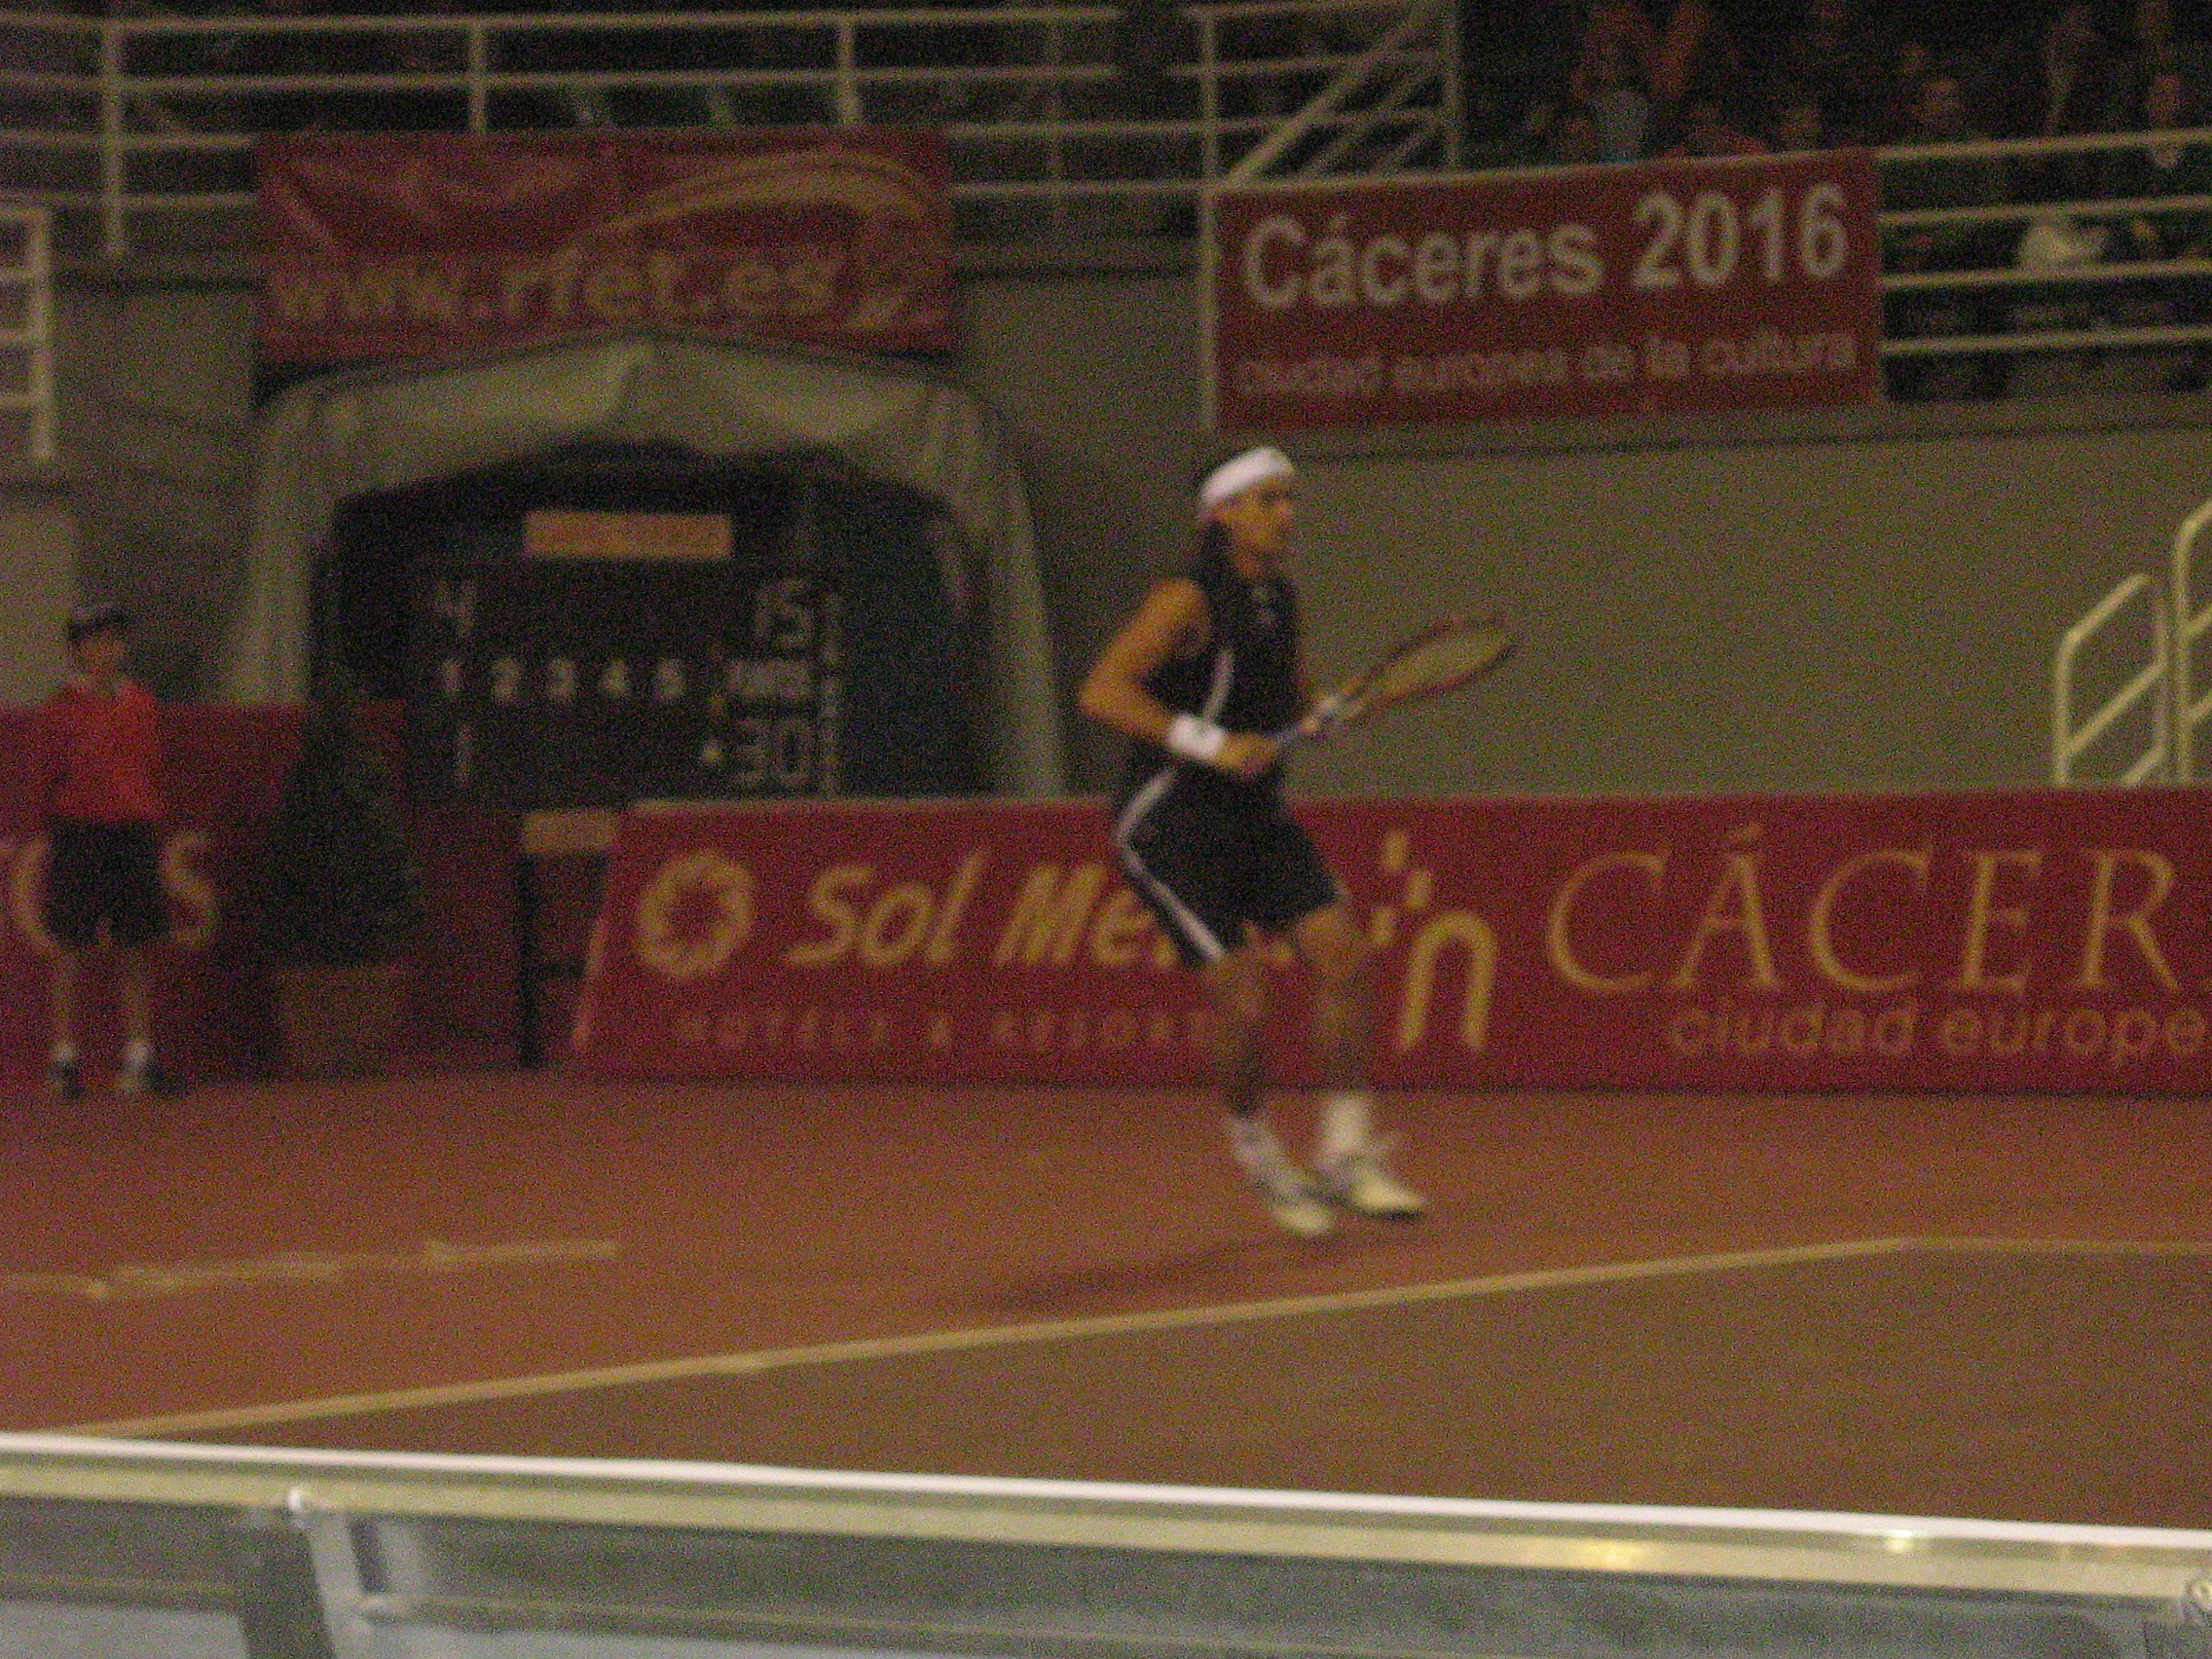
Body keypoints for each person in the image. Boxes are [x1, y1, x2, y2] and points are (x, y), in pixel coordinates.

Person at [1078, 448, 1423, 1240]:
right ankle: (1261, 1154)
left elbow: (1296, 703)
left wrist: (1326, 714)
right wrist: (1209, 743)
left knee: (1345, 959)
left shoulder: (1279, 598)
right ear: (1224, 512)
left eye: (1289, 499)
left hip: (1254, 814)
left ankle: (1346, 1157)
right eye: (1267, 500)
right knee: (1241, 995)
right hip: (1169, 822)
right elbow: (1102, 690)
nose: (1285, 514)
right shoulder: (1184, 599)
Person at [36, 605, 186, 1100]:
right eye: (95, 641)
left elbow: (152, 766)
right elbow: (49, 775)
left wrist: (146, 816)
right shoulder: (60, 708)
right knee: (70, 947)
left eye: (114, 639)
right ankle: (64, 1062)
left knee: (137, 947)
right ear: (76, 651)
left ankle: (138, 1061)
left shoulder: (142, 702)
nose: (107, 649)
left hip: (133, 836)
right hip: (80, 834)